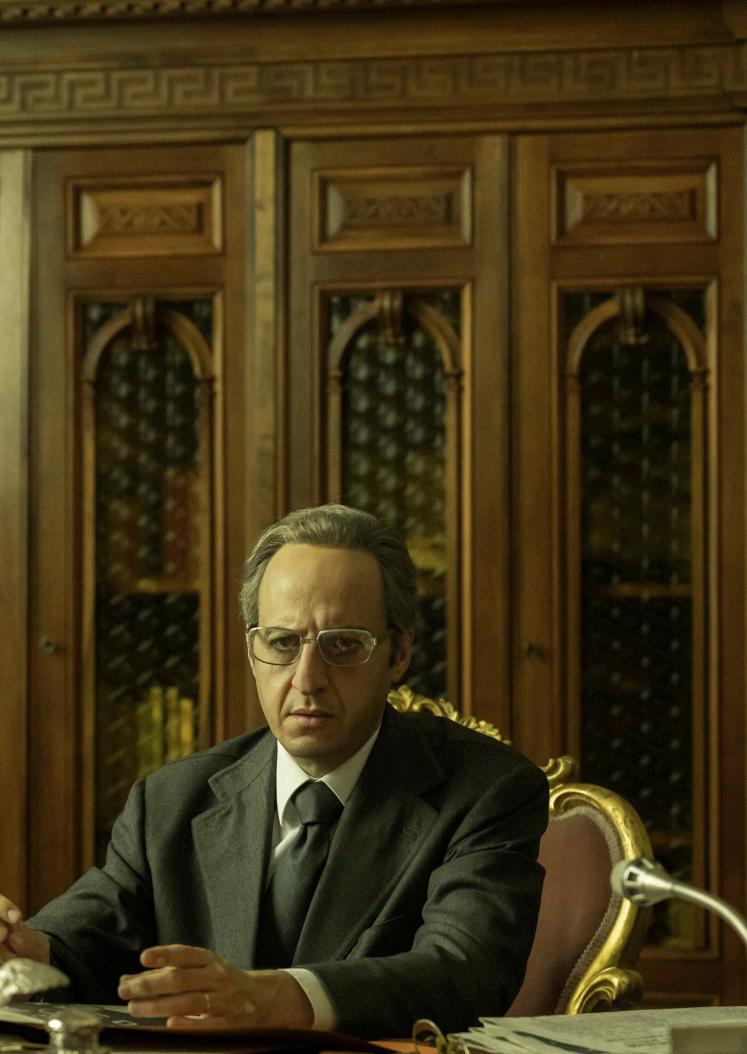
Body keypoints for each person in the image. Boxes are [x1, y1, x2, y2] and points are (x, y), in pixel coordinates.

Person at [0, 504, 548, 1037]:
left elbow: (465, 971)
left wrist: (279, 998)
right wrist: (23, 953)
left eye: (343, 645)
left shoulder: (487, 791)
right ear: (252, 650)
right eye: (283, 643)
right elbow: (88, 940)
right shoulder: (172, 800)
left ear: (399, 652)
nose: (307, 679)